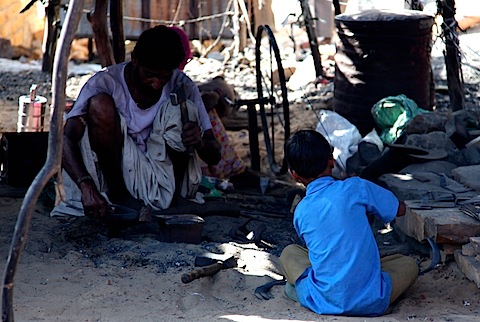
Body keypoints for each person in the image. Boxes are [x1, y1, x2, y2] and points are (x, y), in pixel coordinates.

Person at [52, 25, 221, 219]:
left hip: (162, 182)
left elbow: (215, 155)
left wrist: (198, 141)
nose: (156, 83)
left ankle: (171, 201)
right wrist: (85, 184)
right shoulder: (105, 82)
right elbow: (65, 139)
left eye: (164, 77)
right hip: (112, 178)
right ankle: (119, 197)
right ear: (134, 60)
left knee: (183, 108)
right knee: (100, 104)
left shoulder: (182, 85)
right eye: (150, 75)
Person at [280, 129, 418, 316]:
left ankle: (298, 291)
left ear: (294, 175)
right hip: (372, 301)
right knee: (408, 264)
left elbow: (323, 247)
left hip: (323, 300)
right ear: (332, 161)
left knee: (289, 253)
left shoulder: (300, 211)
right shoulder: (356, 186)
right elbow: (399, 210)